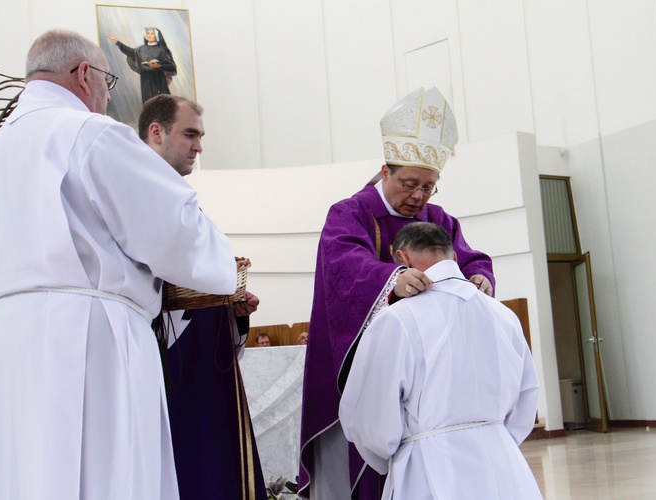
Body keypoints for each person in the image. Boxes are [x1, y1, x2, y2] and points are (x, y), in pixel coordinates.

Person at [0, 29, 237, 499]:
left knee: (24, 474)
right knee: (106, 474)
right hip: (90, 338)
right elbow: (179, 237)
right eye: (108, 81)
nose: (106, 94)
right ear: (85, 75)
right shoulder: (89, 132)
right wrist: (222, 260)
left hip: (7, 343)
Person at [298, 87, 496, 499]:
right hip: (362, 369)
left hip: (424, 380)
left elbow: (468, 257)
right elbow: (344, 267)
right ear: (385, 171)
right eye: (410, 184)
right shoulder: (350, 214)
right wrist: (391, 278)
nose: (419, 197)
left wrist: (479, 276)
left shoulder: (437, 219)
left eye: (429, 187)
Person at [339, 222, 541, 499]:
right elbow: (527, 394)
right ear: (454, 257)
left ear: (402, 258)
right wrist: (496, 437)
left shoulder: (396, 319)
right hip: (503, 463)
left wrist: (386, 453)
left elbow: (371, 415)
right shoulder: (504, 315)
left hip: (428, 463)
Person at [139, 93, 268, 500]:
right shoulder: (137, 187)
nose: (199, 146)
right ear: (156, 132)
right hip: (169, 360)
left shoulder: (176, 195)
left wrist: (233, 312)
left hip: (203, 359)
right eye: (190, 134)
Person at [106, 27, 176, 103]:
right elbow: (129, 51)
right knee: (148, 102)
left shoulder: (162, 50)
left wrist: (159, 66)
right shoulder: (141, 49)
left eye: (152, 34)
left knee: (161, 102)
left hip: (158, 78)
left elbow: (171, 66)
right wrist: (116, 41)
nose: (149, 35)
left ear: (157, 35)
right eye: (148, 33)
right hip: (145, 78)